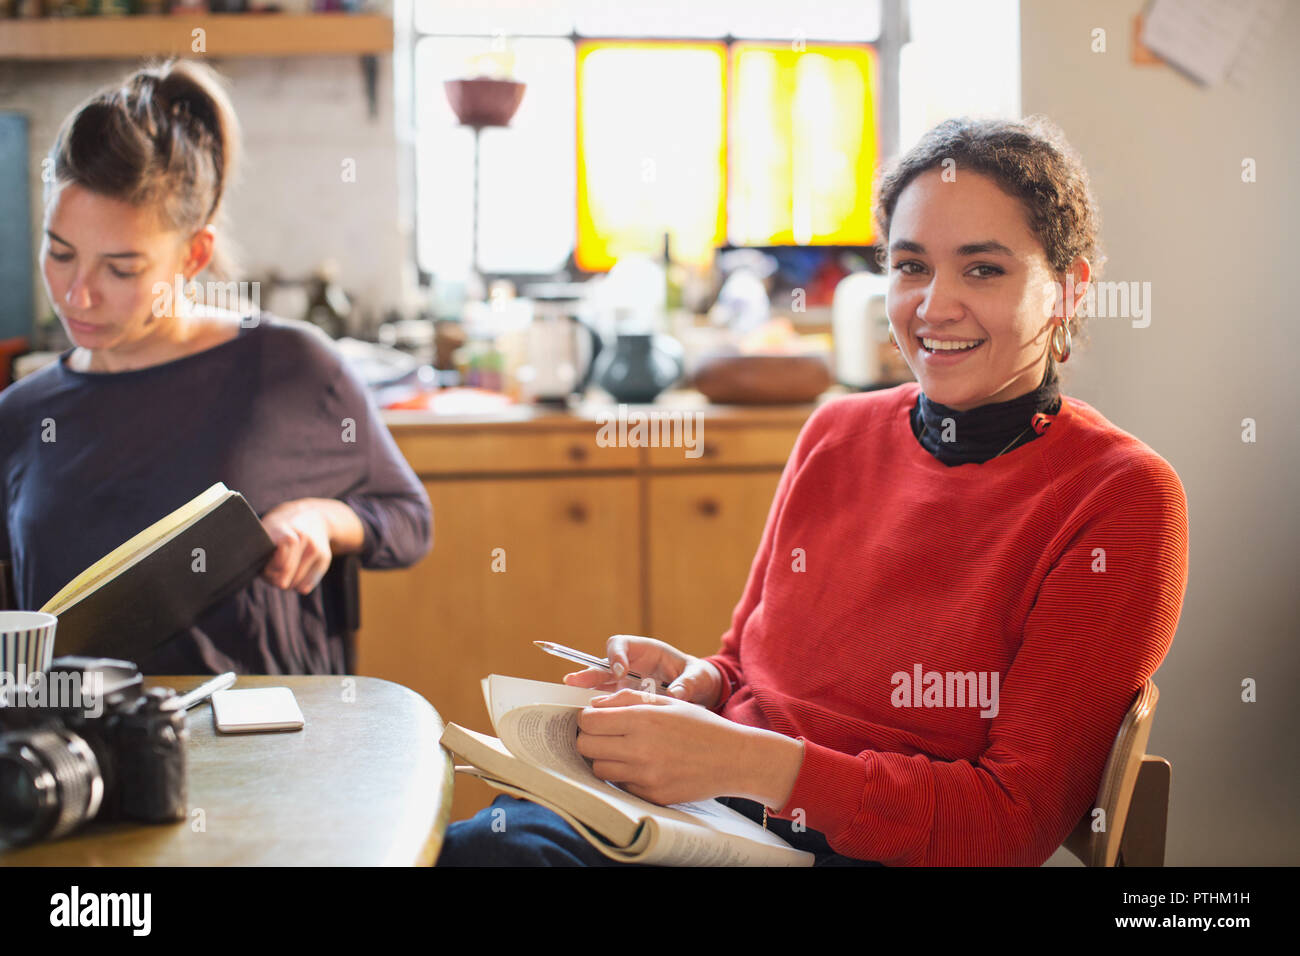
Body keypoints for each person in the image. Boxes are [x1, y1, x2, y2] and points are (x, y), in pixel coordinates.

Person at [438, 116, 1190, 867]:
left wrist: (740, 761)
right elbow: (746, 665)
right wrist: (696, 682)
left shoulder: (1121, 498)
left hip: (862, 851)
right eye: (910, 266)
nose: (934, 307)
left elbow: (1005, 825)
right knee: (485, 844)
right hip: (714, 816)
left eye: (983, 269)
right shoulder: (837, 431)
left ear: (1068, 289)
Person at [0, 60, 431, 674]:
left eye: (121, 269)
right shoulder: (21, 414)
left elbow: (409, 518)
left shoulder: (289, 370)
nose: (77, 294)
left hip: (264, 746)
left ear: (194, 255)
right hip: (81, 757)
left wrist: (323, 518)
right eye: (60, 252)